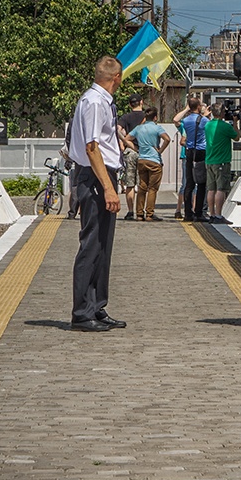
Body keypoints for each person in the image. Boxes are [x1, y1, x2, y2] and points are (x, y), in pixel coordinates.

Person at [67, 55, 126, 332]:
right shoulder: (94, 102)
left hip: (101, 174)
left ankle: (96, 305)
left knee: (103, 245)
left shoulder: (102, 101)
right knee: (91, 245)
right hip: (94, 177)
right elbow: (92, 147)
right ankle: (81, 312)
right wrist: (108, 188)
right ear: (117, 77)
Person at [129, 107, 171, 220]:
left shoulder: (138, 128)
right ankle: (149, 214)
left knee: (142, 187)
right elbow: (167, 139)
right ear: (155, 117)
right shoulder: (157, 128)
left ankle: (139, 213)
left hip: (142, 159)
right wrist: (160, 150)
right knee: (152, 188)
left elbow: (127, 138)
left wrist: (136, 148)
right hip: (154, 160)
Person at [174, 98, 210, 222]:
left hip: (189, 151)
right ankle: (199, 212)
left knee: (189, 183)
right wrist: (204, 115)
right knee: (201, 183)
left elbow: (176, 120)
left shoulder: (186, 120)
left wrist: (186, 109)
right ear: (199, 106)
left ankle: (188, 213)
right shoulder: (205, 121)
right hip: (201, 151)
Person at [204, 101, 239, 224]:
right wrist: (235, 122)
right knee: (221, 189)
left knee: (211, 189)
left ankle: (212, 214)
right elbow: (237, 137)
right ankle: (219, 215)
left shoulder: (207, 125)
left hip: (209, 160)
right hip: (222, 161)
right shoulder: (225, 127)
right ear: (222, 112)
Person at [116, 94, 145, 221]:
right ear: (141, 102)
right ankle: (141, 211)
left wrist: (124, 142)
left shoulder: (125, 117)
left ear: (129, 105)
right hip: (144, 151)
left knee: (130, 183)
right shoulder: (146, 117)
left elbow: (117, 130)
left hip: (130, 151)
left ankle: (130, 211)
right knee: (143, 184)